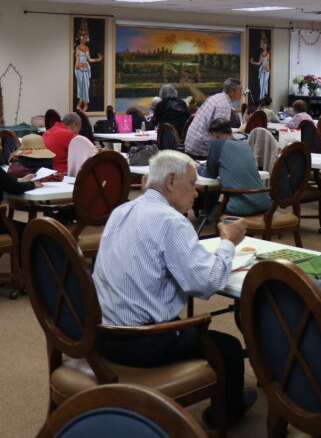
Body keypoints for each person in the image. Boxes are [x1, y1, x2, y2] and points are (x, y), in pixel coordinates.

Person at [93, 151, 256, 425]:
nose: (196, 193)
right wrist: (228, 243)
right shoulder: (171, 221)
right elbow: (207, 284)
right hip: (140, 342)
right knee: (228, 347)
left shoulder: (122, 210)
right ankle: (225, 416)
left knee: (184, 322)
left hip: (101, 333)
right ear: (171, 181)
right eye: (192, 184)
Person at [202, 119, 269, 217]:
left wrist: (199, 169)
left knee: (213, 211)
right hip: (263, 202)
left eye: (211, 136)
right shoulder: (245, 145)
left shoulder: (217, 144)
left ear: (215, 134)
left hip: (240, 207)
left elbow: (210, 174)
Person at [184, 78, 244, 158]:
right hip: (201, 149)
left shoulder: (216, 97)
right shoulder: (224, 105)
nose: (242, 94)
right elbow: (220, 134)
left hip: (191, 144)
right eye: (240, 90)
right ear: (231, 92)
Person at [74, 31, 103, 112]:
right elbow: (77, 60)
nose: (85, 40)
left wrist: (98, 59)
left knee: (86, 87)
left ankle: (80, 105)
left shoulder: (87, 48)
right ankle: (82, 105)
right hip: (79, 70)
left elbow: (89, 59)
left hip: (86, 69)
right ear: (80, 38)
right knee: (81, 88)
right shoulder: (77, 48)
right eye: (83, 38)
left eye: (86, 38)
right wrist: (77, 66)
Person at [249, 34, 271, 100]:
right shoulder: (261, 54)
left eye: (264, 45)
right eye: (262, 45)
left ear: (266, 45)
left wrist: (266, 69)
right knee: (261, 84)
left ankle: (264, 97)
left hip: (266, 71)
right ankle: (261, 98)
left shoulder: (268, 54)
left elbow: (268, 63)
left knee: (265, 84)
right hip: (262, 70)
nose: (263, 47)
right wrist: (252, 62)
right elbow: (259, 63)